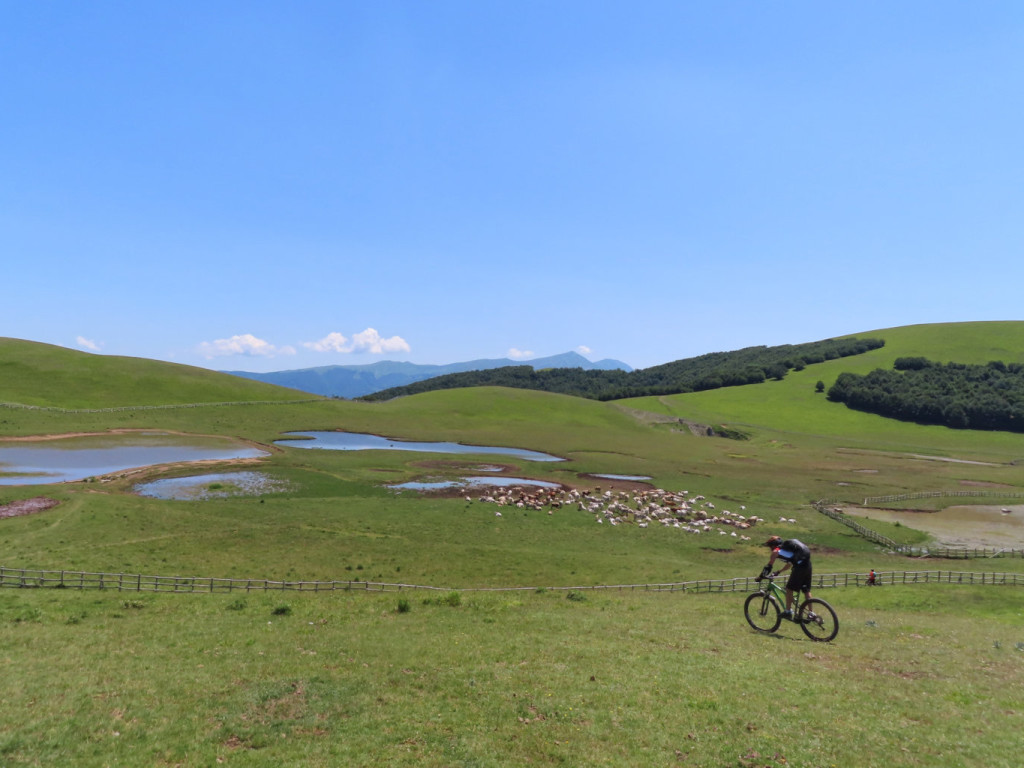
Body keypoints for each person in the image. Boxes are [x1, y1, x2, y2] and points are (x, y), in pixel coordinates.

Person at [758, 535, 813, 620]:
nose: (770, 549)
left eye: (770, 546)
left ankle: (788, 612)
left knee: (789, 589)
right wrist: (779, 571)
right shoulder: (789, 550)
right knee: (806, 590)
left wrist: (760, 577)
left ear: (773, 545)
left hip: (799, 567)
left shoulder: (776, 551)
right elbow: (790, 563)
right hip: (807, 564)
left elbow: (768, 567)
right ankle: (811, 613)